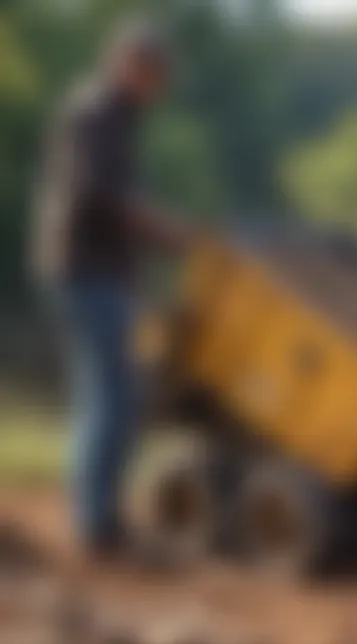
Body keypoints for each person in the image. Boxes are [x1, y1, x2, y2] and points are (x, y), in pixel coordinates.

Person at [34, 19, 192, 559]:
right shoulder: (96, 112)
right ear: (129, 64)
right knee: (114, 396)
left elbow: (117, 198)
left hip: (102, 270)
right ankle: (97, 524)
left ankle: (98, 516)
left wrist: (159, 234)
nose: (161, 86)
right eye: (156, 74)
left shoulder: (117, 117)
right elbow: (100, 197)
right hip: (86, 268)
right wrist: (169, 232)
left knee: (108, 394)